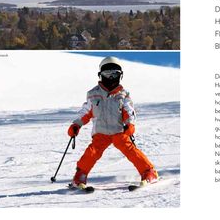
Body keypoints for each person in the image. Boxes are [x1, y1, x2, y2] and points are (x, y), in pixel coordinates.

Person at [66, 56, 158, 188]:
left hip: (119, 131)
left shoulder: (123, 94)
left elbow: (129, 111)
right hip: (101, 132)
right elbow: (86, 112)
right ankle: (80, 176)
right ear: (100, 75)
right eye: (107, 74)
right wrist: (76, 125)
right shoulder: (93, 94)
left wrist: (130, 124)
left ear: (120, 76)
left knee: (131, 150)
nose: (110, 78)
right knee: (92, 152)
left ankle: (148, 172)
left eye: (114, 74)